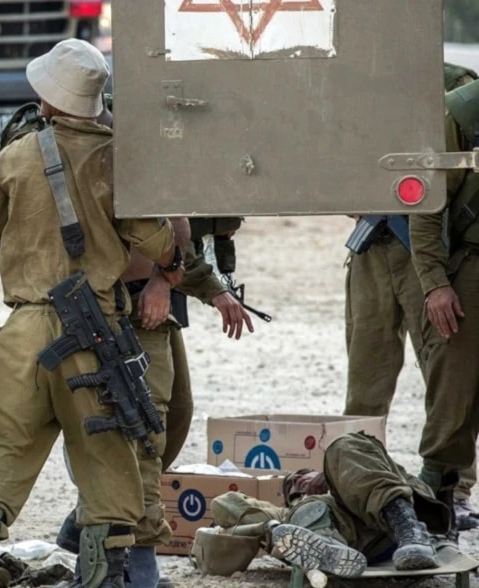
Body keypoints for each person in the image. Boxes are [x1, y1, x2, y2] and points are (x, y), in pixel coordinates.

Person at [0, 38, 181, 588]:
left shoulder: (13, 155)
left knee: (3, 452)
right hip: (94, 333)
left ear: (48, 98)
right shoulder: (117, 159)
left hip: (24, 328)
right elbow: (161, 244)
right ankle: (103, 577)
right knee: (106, 462)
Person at [55, 230, 255, 587]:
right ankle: (133, 559)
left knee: (175, 416)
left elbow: (171, 237)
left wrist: (205, 287)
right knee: (142, 434)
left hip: (152, 306)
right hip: (108, 310)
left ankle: (105, 519)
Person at [343, 62, 479, 530]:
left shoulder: (454, 85)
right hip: (372, 246)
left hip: (425, 250)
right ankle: (357, 485)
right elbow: (334, 149)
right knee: (367, 377)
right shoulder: (354, 83)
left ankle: (452, 490)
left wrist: (436, 274)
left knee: (448, 377)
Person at [201, 433, 452, 578]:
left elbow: (368, 463)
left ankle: (409, 529)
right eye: (292, 484)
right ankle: (328, 552)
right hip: (343, 538)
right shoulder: (290, 510)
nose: (298, 481)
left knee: (343, 445)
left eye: (303, 475)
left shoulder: (351, 472)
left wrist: (333, 477)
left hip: (390, 522)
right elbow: (225, 505)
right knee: (305, 512)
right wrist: (270, 527)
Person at [409, 76, 479, 536]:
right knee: (454, 398)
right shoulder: (464, 111)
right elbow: (427, 203)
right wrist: (435, 283)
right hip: (471, 270)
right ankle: (433, 512)